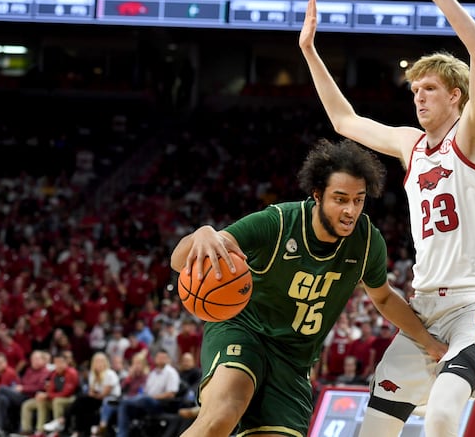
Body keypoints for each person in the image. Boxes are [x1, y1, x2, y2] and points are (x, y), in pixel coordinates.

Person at [299, 0, 475, 437]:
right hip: (425, 307)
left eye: (430, 89)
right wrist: (309, 51)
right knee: (373, 429)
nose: (418, 97)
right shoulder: (409, 144)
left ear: (456, 96)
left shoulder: (473, 136)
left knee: (440, 416)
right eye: (414, 90)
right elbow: (344, 121)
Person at [170, 138, 447, 437]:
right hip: (244, 330)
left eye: (358, 200)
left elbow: (384, 298)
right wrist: (201, 235)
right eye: (340, 199)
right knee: (223, 413)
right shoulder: (278, 223)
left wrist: (428, 341)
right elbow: (180, 260)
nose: (350, 210)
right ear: (317, 195)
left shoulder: (367, 242)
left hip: (294, 359)